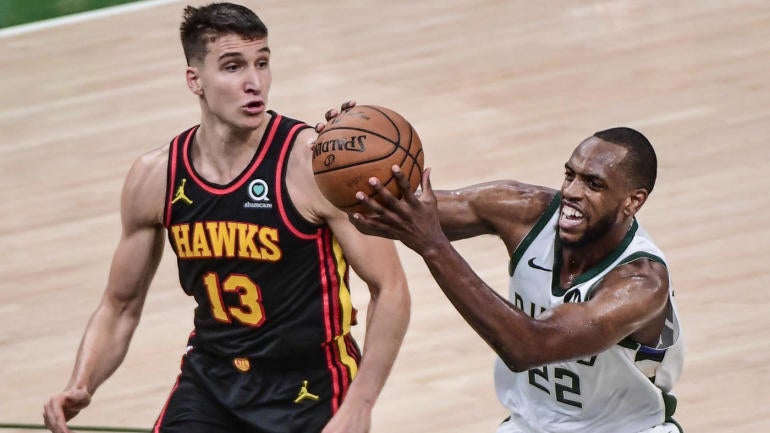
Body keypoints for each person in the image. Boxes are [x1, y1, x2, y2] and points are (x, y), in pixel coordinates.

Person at [42, 4, 410, 433]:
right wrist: (82, 383)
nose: (254, 82)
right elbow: (120, 307)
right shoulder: (156, 176)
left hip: (310, 383)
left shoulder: (311, 164)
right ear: (194, 80)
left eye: (262, 63)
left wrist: (361, 402)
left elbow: (391, 288)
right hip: (211, 380)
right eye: (233, 67)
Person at [343, 121, 684, 433]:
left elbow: (529, 347)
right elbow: (379, 215)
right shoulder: (526, 209)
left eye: (593, 184)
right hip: (528, 426)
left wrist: (434, 247)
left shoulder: (640, 284)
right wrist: (340, 154)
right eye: (570, 175)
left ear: (632, 201)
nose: (571, 191)